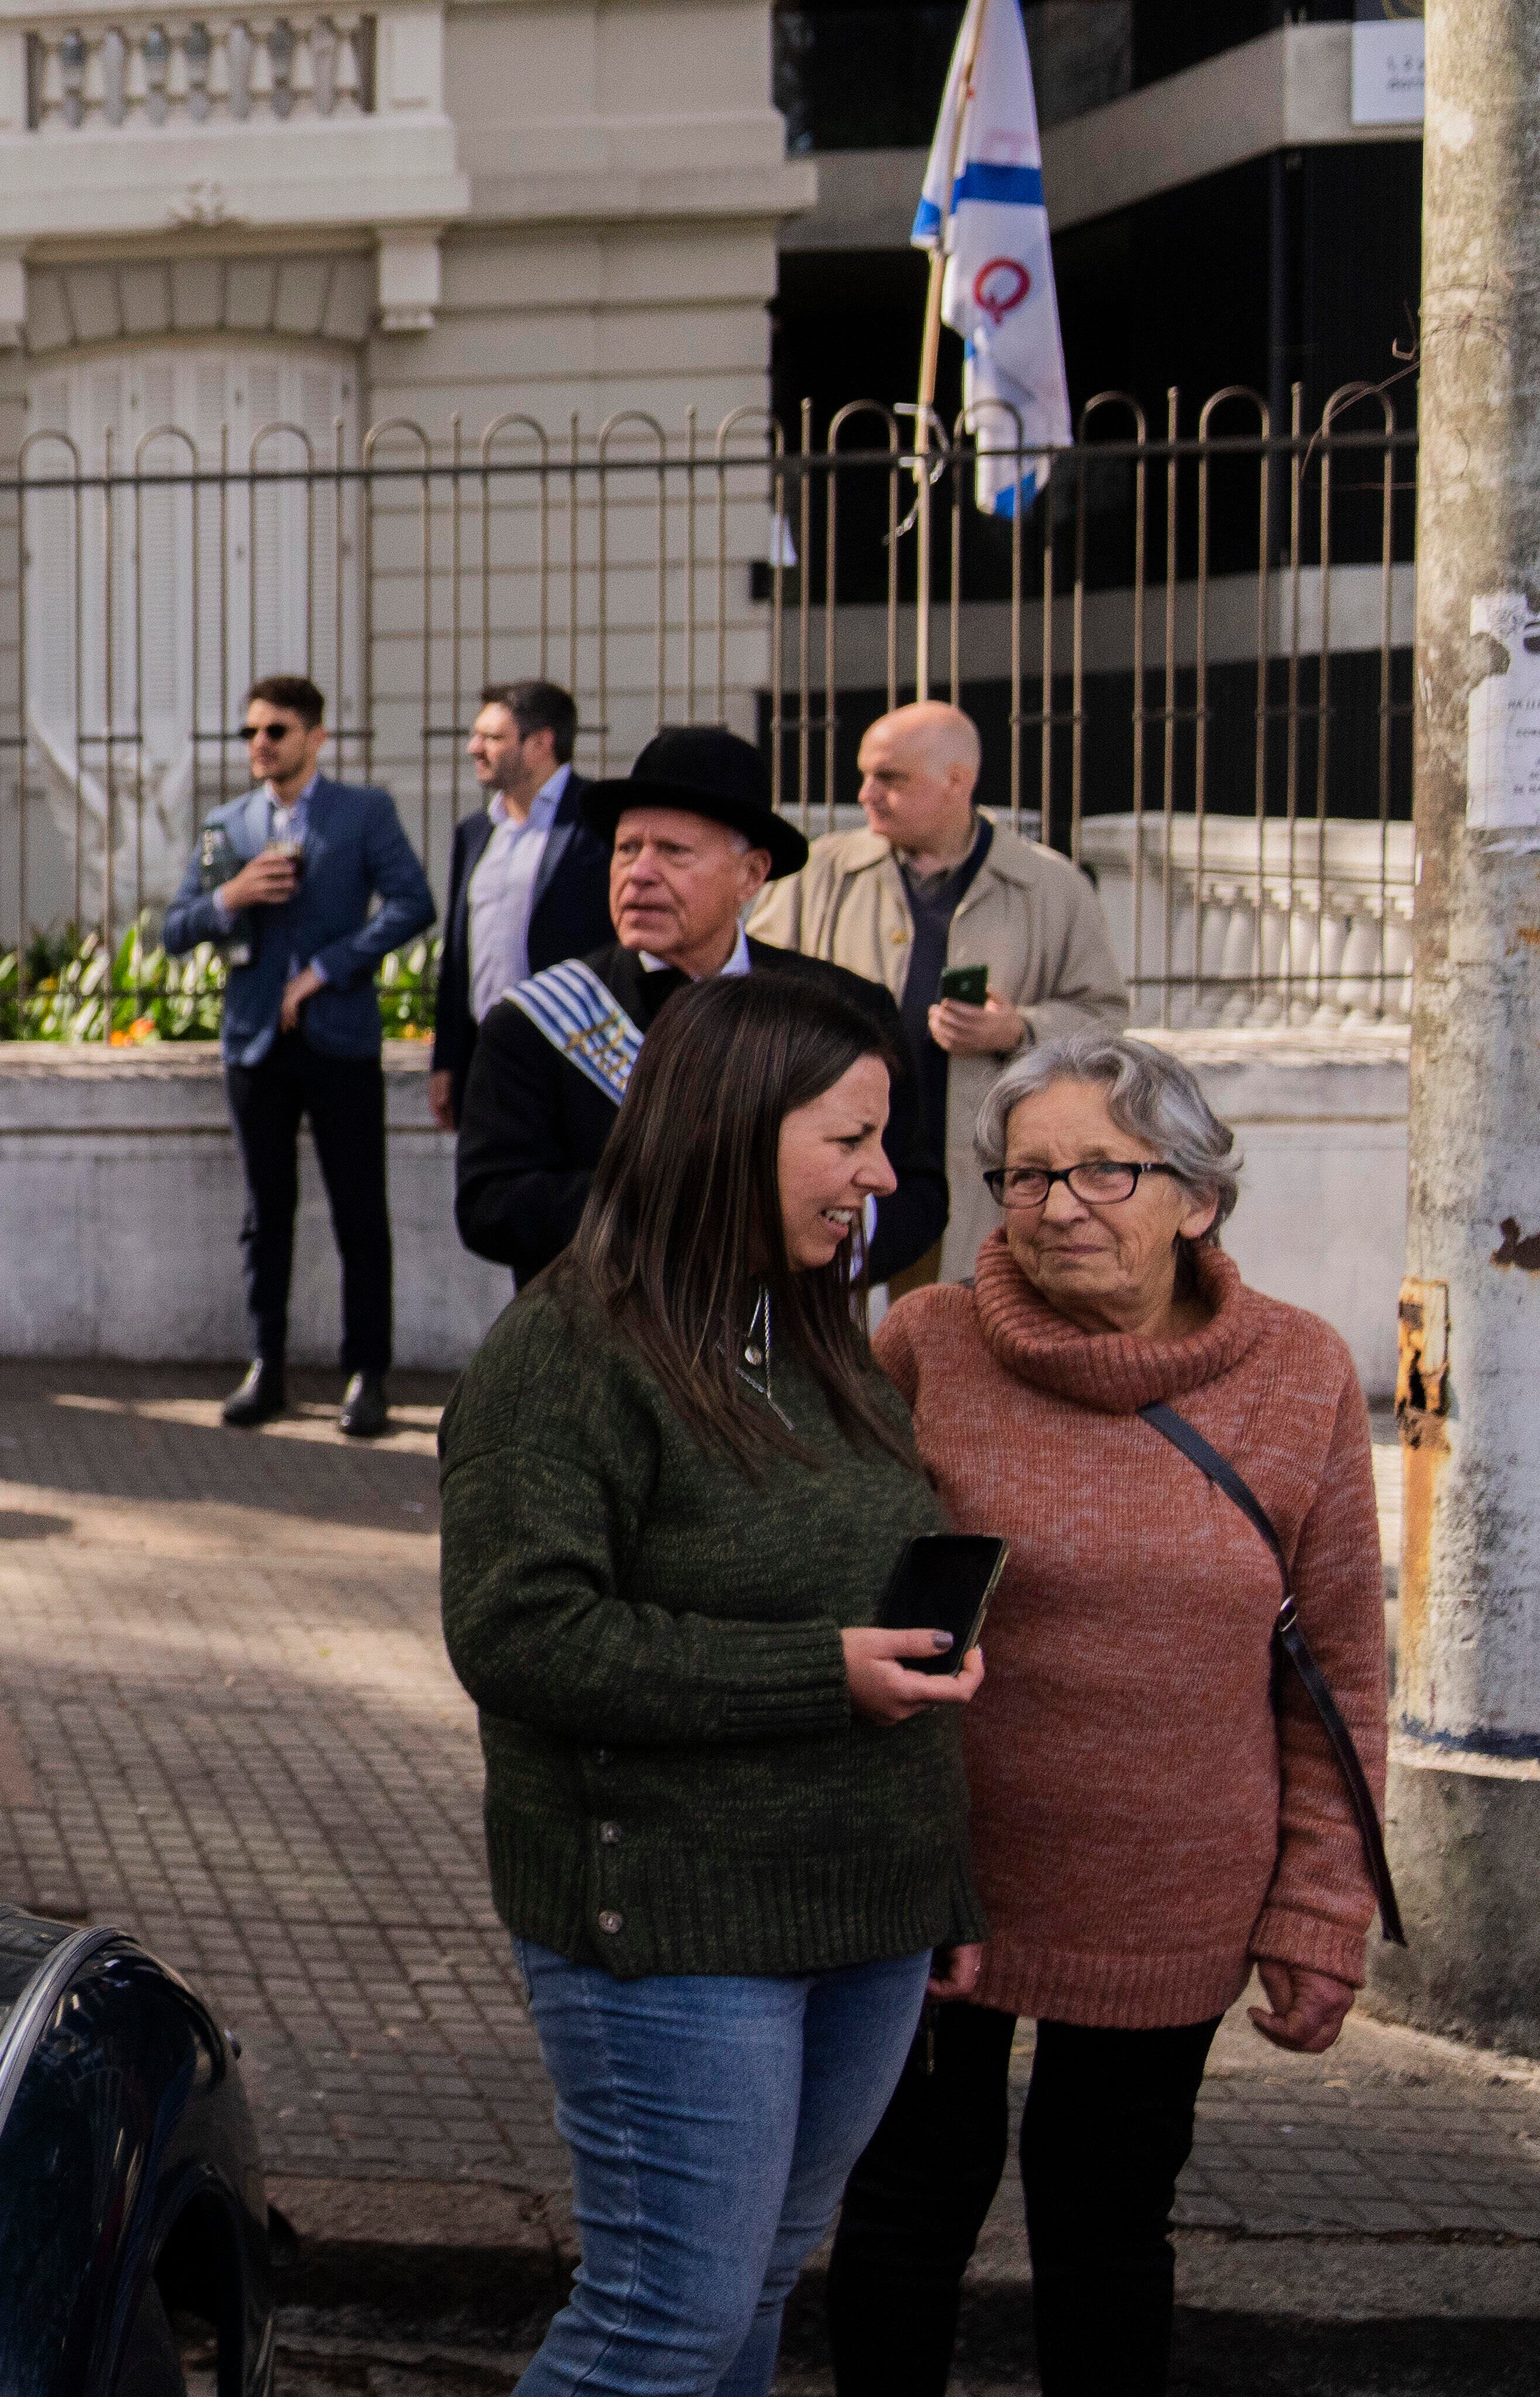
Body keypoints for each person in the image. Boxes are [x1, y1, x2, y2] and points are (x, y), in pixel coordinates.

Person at [440, 968, 989, 2397]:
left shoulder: (815, 1330)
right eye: (851, 1137)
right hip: (676, 1923)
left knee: (749, 2285)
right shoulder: (563, 1354)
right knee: (662, 2320)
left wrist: (942, 1889)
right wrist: (820, 1674)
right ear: (733, 1127)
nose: (880, 1177)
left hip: (861, 1911)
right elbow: (522, 1633)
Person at [825, 1034, 1384, 2397]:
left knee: (1108, 2229)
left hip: (1171, 1896)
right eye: (1024, 1175)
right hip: (941, 1879)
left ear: (1196, 1194)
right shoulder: (925, 1345)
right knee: (901, 2211)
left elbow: (1340, 1670)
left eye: (1100, 1170)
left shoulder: (1301, 1371)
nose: (1057, 1203)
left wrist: (1321, 1909)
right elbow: (846, 1608)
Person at [456, 725, 946, 1290]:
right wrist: (699, 1212)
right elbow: (491, 1207)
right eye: (626, 849)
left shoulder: (842, 1008)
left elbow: (915, 1193)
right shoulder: (534, 1021)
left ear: (751, 874)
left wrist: (807, 1244)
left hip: (791, 1336)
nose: (639, 873)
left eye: (673, 852)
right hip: (608, 1342)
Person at [149, 674, 434, 1435]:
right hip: (252, 1044)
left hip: (338, 1039)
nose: (259, 745)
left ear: (315, 738)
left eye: (274, 730)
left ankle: (365, 1376)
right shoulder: (226, 825)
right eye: (249, 733)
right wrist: (231, 897)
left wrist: (326, 968)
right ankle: (265, 1367)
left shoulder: (361, 812)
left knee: (358, 1213)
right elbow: (173, 930)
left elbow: (414, 903)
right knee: (264, 1213)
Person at [758, 701, 1129, 1283]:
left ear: (957, 781)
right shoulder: (819, 873)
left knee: (961, 1329)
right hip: (841, 1171)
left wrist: (1019, 1030)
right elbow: (753, 997)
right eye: (865, 775)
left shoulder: (1052, 886)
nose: (865, 794)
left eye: (890, 778)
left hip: (977, 1176)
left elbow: (1103, 1018)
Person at [430, 680, 614, 1133]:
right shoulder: (474, 831)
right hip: (485, 1053)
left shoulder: (598, 820)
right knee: (486, 1196)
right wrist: (446, 1061)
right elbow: (457, 958)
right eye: (477, 736)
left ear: (541, 743)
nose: (475, 748)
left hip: (571, 1052)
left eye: (492, 738)